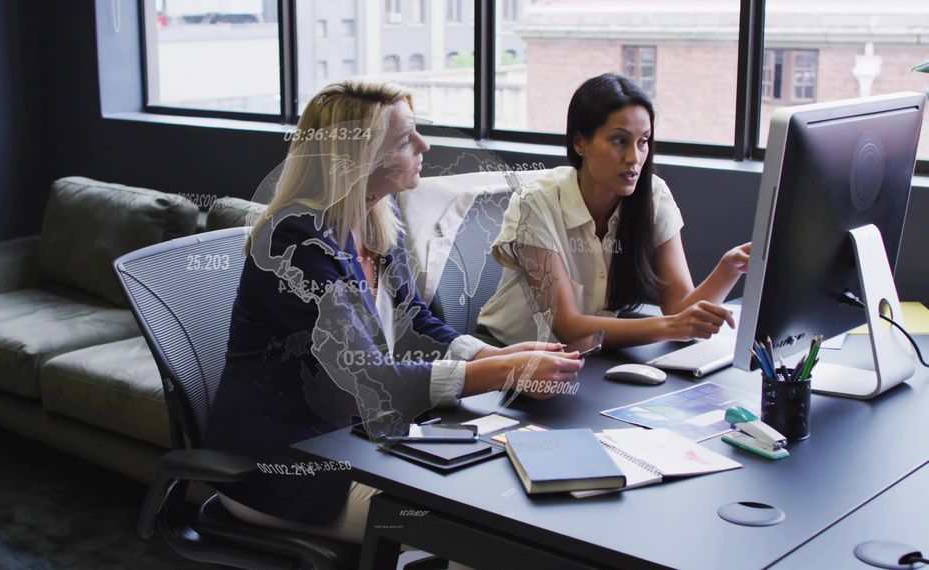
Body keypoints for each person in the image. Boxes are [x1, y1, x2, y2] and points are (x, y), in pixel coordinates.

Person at [204, 80, 585, 549]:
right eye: (406, 140)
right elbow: (367, 374)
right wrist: (499, 371)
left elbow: (418, 323)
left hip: (354, 439)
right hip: (284, 466)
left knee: (501, 498)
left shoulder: (379, 221)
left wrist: (493, 352)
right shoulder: (295, 243)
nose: (424, 146)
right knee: (482, 532)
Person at [478, 73, 751, 348]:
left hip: (585, 358)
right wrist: (671, 326)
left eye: (643, 141)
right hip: (507, 357)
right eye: (619, 141)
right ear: (579, 143)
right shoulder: (535, 203)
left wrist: (729, 268)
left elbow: (681, 315)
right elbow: (567, 325)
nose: (634, 158)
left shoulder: (653, 195)